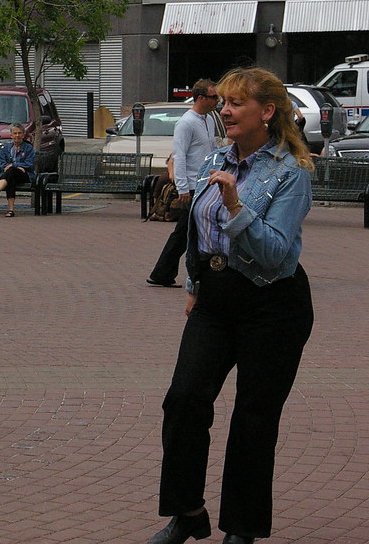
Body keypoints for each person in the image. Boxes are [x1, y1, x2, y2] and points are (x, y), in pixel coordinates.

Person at [146, 66, 315, 544]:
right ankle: (188, 512)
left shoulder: (291, 172)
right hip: (216, 302)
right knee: (183, 401)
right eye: (223, 103)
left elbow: (278, 253)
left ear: (267, 112)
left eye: (236, 103)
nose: (225, 110)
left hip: (273, 305)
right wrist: (195, 284)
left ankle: (241, 528)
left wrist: (237, 208)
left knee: (253, 418)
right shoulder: (218, 156)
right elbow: (197, 231)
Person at [147, 79, 219, 288]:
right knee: (186, 232)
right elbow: (179, 156)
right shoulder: (186, 123)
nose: (217, 101)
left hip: (206, 183)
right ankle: (169, 273)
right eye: (214, 97)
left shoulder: (209, 119)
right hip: (193, 186)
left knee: (187, 232)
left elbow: (210, 149)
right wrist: (183, 188)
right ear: (200, 98)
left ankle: (164, 273)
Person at [0, 123, 35, 217]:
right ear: (11, 135)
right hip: (10, 175)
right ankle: (10, 210)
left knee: (11, 170)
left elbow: (29, 163)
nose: (17, 135)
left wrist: (13, 165)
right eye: (15, 133)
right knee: (11, 178)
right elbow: (2, 162)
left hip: (25, 175)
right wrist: (12, 166)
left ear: (23, 135)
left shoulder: (28, 148)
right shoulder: (7, 148)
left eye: (19, 133)